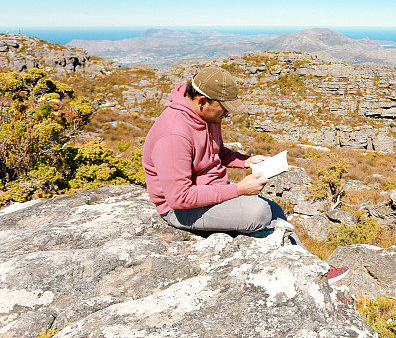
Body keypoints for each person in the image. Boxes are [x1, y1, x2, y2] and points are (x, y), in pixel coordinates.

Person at [142, 66, 348, 282]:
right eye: (223, 108)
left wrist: (245, 161)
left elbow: (216, 151)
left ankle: (312, 266)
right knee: (259, 212)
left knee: (273, 209)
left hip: (209, 190)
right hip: (180, 210)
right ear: (202, 101)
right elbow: (179, 198)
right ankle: (311, 270)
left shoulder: (207, 117)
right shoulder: (174, 135)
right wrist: (239, 189)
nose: (227, 114)